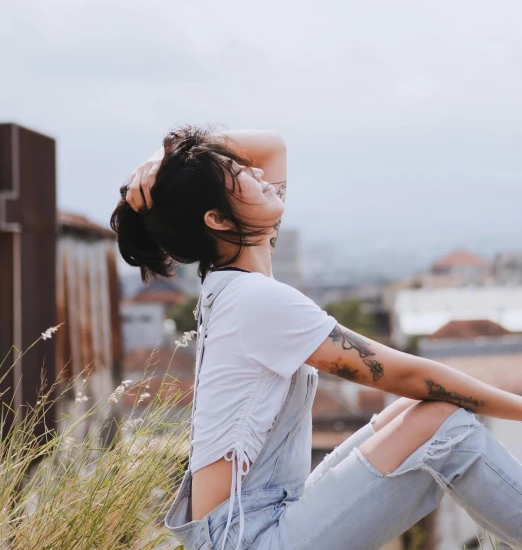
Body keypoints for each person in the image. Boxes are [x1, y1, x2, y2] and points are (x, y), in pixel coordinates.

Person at [110, 126, 522, 550]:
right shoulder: (255, 300)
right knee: (443, 428)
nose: (258, 173)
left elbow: (271, 146)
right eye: (240, 175)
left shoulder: (237, 274)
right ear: (216, 219)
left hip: (265, 519)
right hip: (247, 539)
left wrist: (163, 162)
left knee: (419, 413)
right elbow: (410, 374)